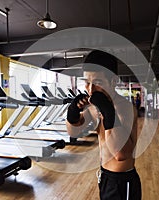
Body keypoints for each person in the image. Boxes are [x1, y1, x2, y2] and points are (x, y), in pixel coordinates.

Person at [66, 50, 141, 200]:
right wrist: (72, 113)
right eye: (87, 82)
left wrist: (108, 111)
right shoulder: (94, 107)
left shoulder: (124, 108)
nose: (91, 89)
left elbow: (121, 154)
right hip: (105, 177)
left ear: (113, 82)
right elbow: (73, 132)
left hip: (122, 181)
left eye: (98, 83)